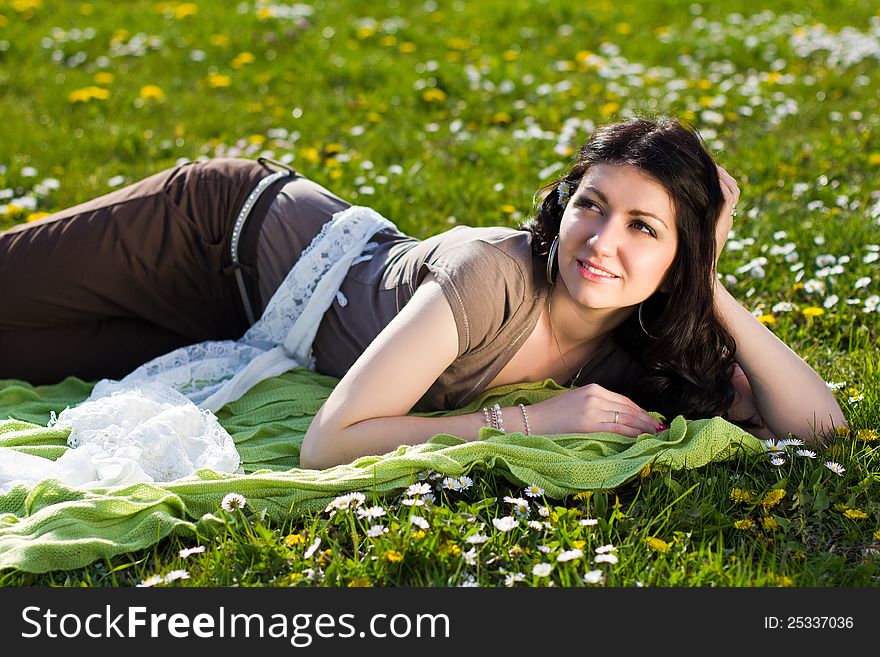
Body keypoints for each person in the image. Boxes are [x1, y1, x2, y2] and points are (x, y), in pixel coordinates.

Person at [0, 117, 847, 469]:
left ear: (679, 258)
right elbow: (329, 444)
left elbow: (821, 426)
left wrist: (707, 280)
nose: (603, 242)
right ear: (563, 206)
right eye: (591, 206)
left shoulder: (640, 342)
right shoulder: (496, 274)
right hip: (216, 235)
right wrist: (527, 420)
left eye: (645, 228)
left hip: (243, 325)